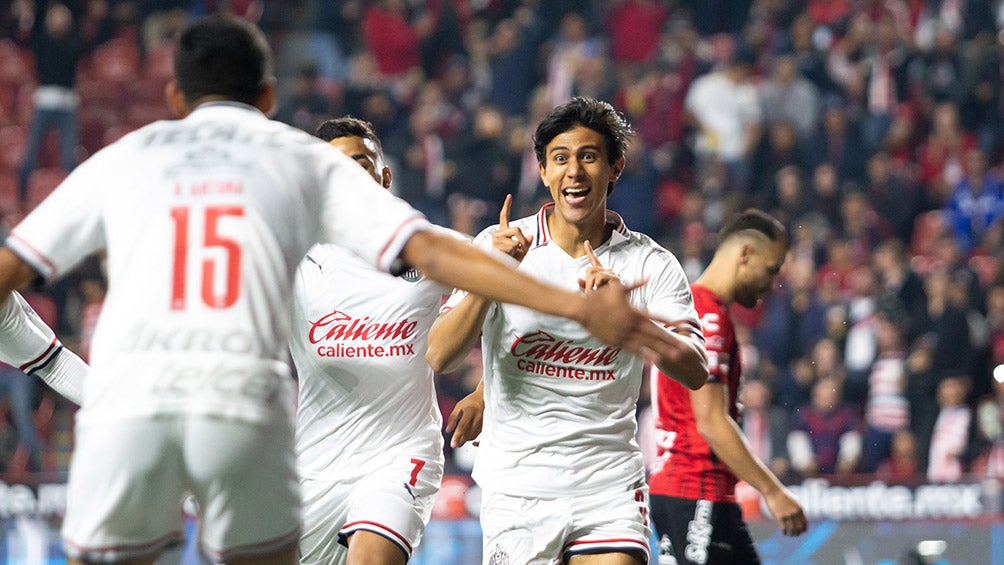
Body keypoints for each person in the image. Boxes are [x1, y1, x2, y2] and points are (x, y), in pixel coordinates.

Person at [0, 17, 693, 565]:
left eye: (366, 164)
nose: (353, 177)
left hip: (389, 459)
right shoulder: (306, 241)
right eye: (340, 167)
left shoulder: (133, 160)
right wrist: (569, 301)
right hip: (287, 455)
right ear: (268, 99)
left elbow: (450, 314)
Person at [426, 96, 708, 565]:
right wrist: (492, 275)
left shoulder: (649, 264)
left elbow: (696, 371)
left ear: (615, 168)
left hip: (609, 488)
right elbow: (440, 355)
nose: (574, 171)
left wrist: (633, 326)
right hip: (519, 489)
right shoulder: (500, 246)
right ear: (542, 171)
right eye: (560, 158)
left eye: (589, 156)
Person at [293, 116, 479, 565]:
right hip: (313, 467)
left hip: (401, 455)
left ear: (385, 176)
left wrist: (488, 388)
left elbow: (510, 288)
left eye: (361, 164)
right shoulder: (294, 261)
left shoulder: (426, 248)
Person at [648, 209, 807, 564]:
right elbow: (711, 422)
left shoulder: (690, 305)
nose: (773, 282)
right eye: (771, 269)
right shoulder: (708, 317)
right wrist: (773, 491)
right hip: (694, 489)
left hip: (699, 492)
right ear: (745, 254)